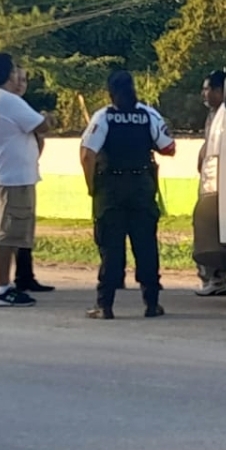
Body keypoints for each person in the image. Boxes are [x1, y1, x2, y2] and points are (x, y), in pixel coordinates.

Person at [80, 70, 177, 320]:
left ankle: (105, 305)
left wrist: (92, 187)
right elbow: (169, 148)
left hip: (111, 190)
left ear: (110, 93)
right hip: (141, 187)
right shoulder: (148, 115)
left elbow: (87, 155)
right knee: (146, 246)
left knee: (111, 248)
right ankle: (152, 304)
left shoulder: (104, 117)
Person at [0, 53, 53, 307]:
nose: (19, 74)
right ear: (8, 73)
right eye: (16, 69)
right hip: (13, 180)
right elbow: (43, 126)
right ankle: (3, 288)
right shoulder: (7, 100)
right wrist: (46, 115)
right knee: (8, 234)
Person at [193, 69, 226, 296]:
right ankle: (215, 277)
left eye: (208, 89)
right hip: (210, 180)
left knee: (209, 228)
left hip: (220, 183)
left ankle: (216, 279)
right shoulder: (213, 115)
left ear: (220, 91)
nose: (204, 94)